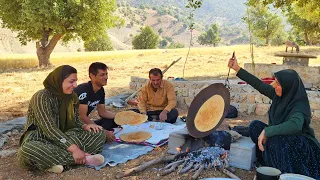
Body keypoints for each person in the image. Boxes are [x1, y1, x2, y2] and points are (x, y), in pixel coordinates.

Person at [228, 55, 320, 179]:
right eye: (275, 81)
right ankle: (271, 159)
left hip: (297, 144)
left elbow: (295, 125)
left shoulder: (299, 105)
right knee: (255, 126)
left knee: (276, 141)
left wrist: (268, 131)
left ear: (288, 86)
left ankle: (281, 171)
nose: (274, 85)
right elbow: (259, 85)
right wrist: (237, 68)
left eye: (278, 83)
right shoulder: (279, 95)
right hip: (279, 137)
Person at [18, 65, 106, 173]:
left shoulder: (72, 96)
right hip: (41, 137)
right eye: (71, 81)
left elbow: (75, 120)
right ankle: (82, 159)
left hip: (65, 134)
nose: (75, 85)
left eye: (75, 81)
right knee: (29, 150)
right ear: (59, 81)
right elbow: (49, 128)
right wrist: (74, 149)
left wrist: (85, 126)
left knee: (99, 133)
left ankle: (53, 162)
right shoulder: (41, 97)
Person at [74, 62, 116, 142]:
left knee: (113, 121)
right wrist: (104, 132)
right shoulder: (83, 90)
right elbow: (82, 117)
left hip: (84, 123)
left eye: (106, 74)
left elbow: (102, 112)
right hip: (74, 124)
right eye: (102, 75)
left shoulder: (100, 90)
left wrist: (120, 116)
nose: (106, 77)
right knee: (99, 135)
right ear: (92, 76)